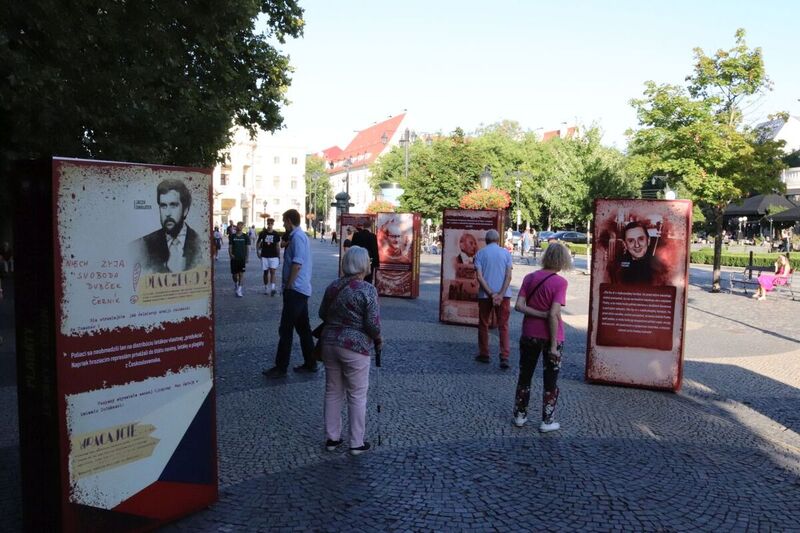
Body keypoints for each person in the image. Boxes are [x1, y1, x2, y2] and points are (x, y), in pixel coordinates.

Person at [318, 246, 382, 455]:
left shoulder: (332, 287)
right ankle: (356, 442)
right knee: (357, 394)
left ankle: (332, 438)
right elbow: (372, 325)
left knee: (333, 390)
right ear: (363, 264)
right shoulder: (367, 289)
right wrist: (379, 339)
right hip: (354, 347)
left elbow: (322, 313)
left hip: (329, 343)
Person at [512, 242, 572, 433]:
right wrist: (554, 345)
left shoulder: (530, 277)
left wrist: (537, 313)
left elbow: (519, 306)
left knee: (525, 376)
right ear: (562, 260)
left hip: (529, 334)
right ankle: (547, 420)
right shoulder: (560, 283)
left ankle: (520, 416)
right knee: (550, 380)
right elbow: (553, 314)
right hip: (551, 337)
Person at [263, 209, 316, 377]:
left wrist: (289, 286)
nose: (283, 225)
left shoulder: (298, 238)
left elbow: (297, 264)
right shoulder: (296, 237)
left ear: (290, 221)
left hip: (296, 290)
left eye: (284, 221)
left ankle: (281, 367)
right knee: (303, 328)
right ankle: (311, 362)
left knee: (286, 329)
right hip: (300, 290)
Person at [130, 179, 202, 273]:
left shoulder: (201, 243)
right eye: (163, 206)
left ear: (185, 210)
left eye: (173, 205)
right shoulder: (142, 245)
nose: (167, 213)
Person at [473, 229, 513, 368]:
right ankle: (504, 356)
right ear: (498, 240)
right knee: (504, 326)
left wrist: (491, 294)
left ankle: (484, 354)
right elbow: (508, 276)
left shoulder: (480, 254)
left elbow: (479, 277)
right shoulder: (506, 253)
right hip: (504, 296)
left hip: (485, 295)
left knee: (483, 323)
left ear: (486, 240)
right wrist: (500, 294)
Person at [610, 221, 665, 285]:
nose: (637, 245)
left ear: (648, 240)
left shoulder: (661, 269)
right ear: (625, 245)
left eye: (641, 239)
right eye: (631, 241)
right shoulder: (615, 268)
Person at [257, 218, 281, 296]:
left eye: (271, 223)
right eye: (268, 223)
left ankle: (273, 288)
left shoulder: (276, 234)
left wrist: (278, 255)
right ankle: (266, 287)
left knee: (273, 271)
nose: (270, 225)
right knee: (265, 272)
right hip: (264, 255)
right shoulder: (263, 233)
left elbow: (277, 245)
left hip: (273, 255)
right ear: (267, 224)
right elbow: (258, 242)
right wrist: (258, 251)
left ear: (273, 224)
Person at [229, 222, 250, 297]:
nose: (240, 227)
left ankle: (239, 290)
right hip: (234, 259)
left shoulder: (245, 236)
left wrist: (247, 257)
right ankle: (236, 284)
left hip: (242, 258)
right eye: (239, 225)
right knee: (234, 275)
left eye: (241, 225)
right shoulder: (232, 236)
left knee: (241, 274)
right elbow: (230, 246)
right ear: (236, 226)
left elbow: (247, 247)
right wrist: (230, 254)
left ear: (243, 227)